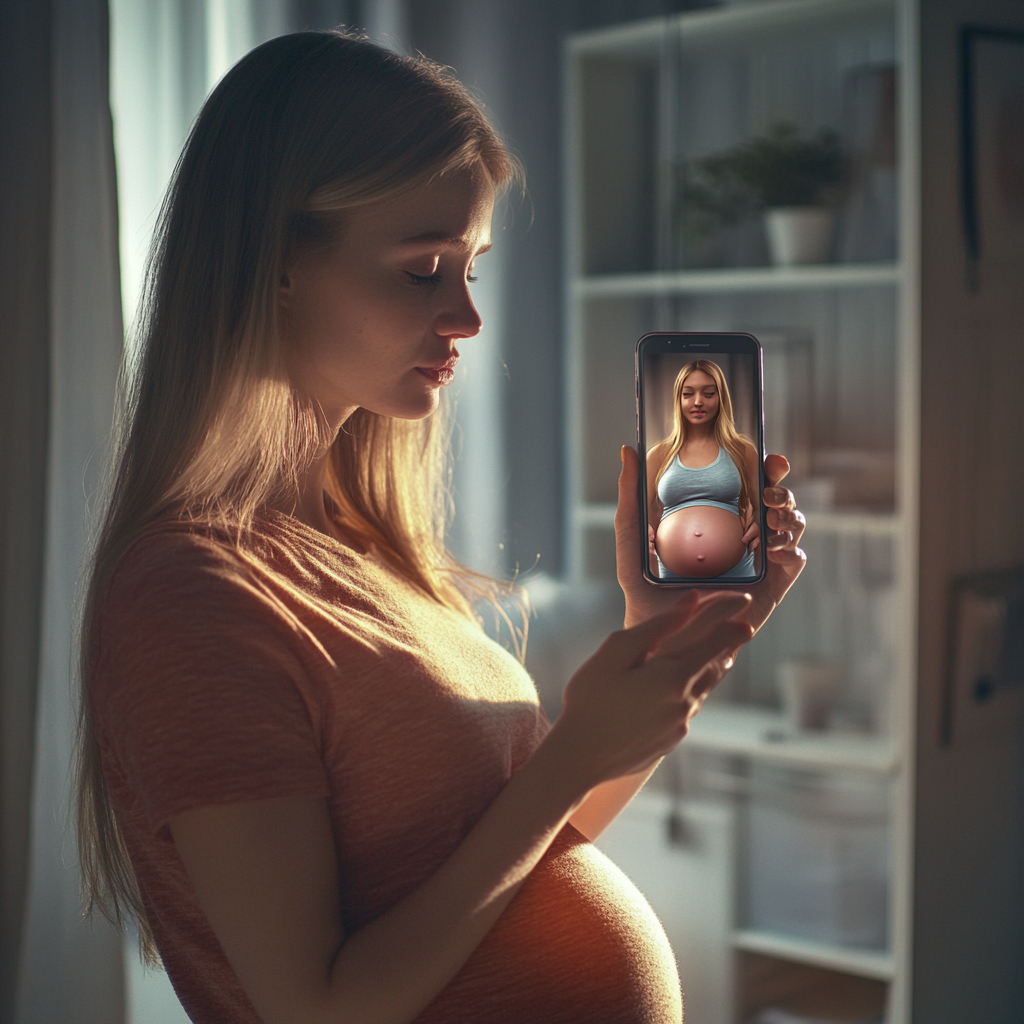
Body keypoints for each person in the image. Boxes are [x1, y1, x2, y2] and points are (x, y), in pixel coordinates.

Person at [76, 31, 806, 1024]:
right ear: (276, 264)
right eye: (423, 268)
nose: (465, 316)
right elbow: (314, 1006)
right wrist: (564, 757)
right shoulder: (187, 599)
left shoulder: (358, 550)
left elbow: (524, 844)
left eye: (472, 267)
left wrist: (667, 641)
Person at [647, 360, 762, 582]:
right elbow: (639, 515)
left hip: (736, 573)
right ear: (677, 400)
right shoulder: (659, 455)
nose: (698, 402)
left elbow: (761, 507)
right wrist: (643, 532)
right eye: (688, 394)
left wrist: (761, 525)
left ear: (721, 399)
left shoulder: (742, 450)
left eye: (708, 394)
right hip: (672, 579)